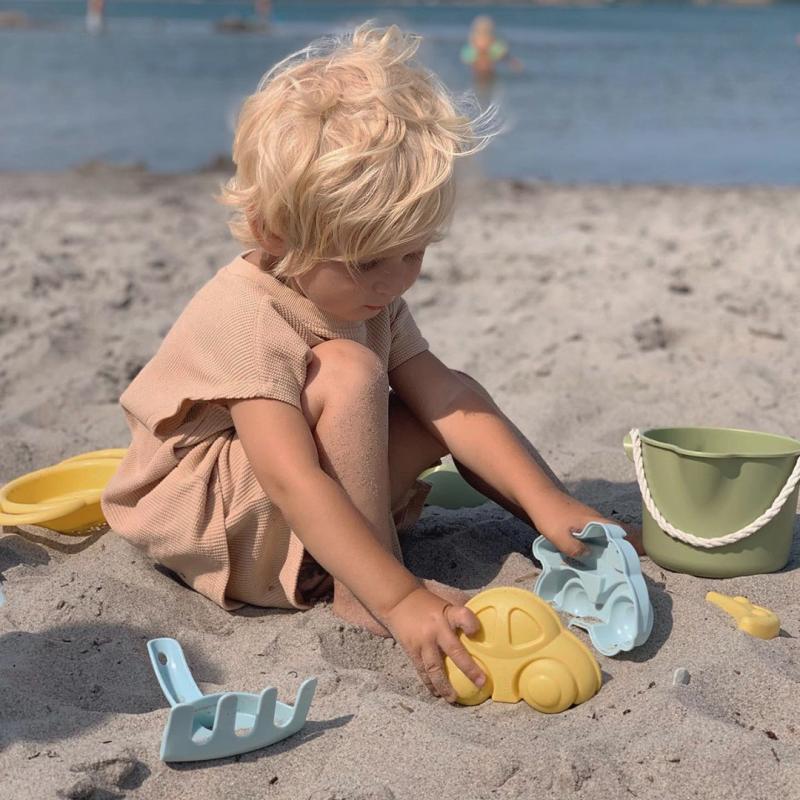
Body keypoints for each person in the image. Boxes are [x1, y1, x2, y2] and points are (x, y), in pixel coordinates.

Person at [100, 24, 639, 702]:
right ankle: (358, 587)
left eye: (412, 254)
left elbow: (447, 399)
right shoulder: (245, 314)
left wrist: (548, 504)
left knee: (431, 400)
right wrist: (397, 595)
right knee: (352, 372)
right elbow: (291, 478)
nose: (392, 283)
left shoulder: (363, 294)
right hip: (220, 528)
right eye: (368, 262)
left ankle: (503, 529)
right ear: (275, 234)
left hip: (284, 510)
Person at [461, 15, 523, 85]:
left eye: (486, 34)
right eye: (481, 34)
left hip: (488, 75)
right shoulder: (471, 50)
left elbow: (506, 57)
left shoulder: (495, 48)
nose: (483, 39)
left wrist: (512, 62)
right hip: (480, 75)